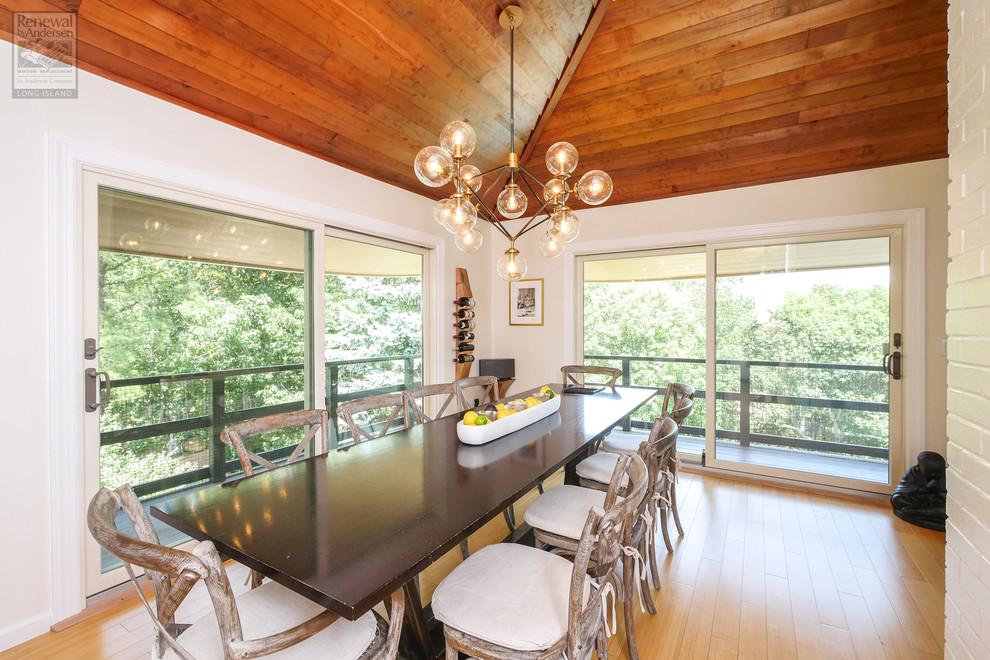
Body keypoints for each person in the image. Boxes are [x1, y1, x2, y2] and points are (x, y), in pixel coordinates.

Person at [890, 451, 947, 532]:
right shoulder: (913, 472)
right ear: (919, 467)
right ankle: (920, 513)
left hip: (937, 503)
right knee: (897, 499)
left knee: (946, 510)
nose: (933, 474)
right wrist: (925, 488)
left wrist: (937, 489)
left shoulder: (946, 475)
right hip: (919, 499)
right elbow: (903, 489)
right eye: (929, 471)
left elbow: (948, 496)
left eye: (937, 472)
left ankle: (915, 512)